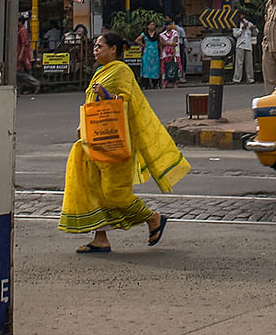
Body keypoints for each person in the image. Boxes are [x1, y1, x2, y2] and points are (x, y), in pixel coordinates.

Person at [58, 31, 190, 252]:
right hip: (93, 139)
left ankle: (153, 218)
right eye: (95, 46)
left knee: (114, 193)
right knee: (94, 189)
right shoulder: (100, 71)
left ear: (114, 50)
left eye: (100, 46)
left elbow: (124, 103)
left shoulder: (121, 71)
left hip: (114, 142)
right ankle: (100, 238)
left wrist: (106, 95)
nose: (95, 50)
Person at [17, 15, 40, 94]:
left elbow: (24, 43)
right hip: (20, 53)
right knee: (21, 72)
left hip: (22, 54)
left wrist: (21, 54)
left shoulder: (23, 30)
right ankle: (22, 88)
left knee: (20, 73)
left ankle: (35, 83)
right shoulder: (20, 30)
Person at [135, 20, 161, 89]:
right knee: (146, 68)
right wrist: (143, 45)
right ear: (148, 26)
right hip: (147, 53)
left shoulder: (157, 34)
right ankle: (145, 84)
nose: (153, 26)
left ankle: (155, 84)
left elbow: (159, 44)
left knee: (155, 68)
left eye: (153, 25)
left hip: (155, 53)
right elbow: (137, 40)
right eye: (151, 25)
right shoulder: (144, 34)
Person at [232, 14, 257, 84]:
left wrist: (253, 29)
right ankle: (237, 79)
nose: (242, 16)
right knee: (239, 63)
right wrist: (241, 29)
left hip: (248, 45)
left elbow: (255, 33)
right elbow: (235, 34)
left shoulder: (248, 23)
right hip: (240, 45)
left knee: (249, 63)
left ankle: (250, 79)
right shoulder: (236, 23)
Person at [159, 18, 180, 87]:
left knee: (176, 66)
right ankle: (164, 82)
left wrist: (168, 44)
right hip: (165, 53)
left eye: (171, 25)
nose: (169, 26)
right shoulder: (162, 34)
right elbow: (162, 43)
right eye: (168, 25)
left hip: (175, 52)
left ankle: (175, 82)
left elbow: (175, 42)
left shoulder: (175, 33)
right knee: (165, 67)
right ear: (166, 26)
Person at [174, 14, 189, 84]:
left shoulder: (173, 28)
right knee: (182, 60)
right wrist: (187, 47)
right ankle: (182, 76)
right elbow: (184, 39)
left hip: (174, 46)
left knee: (176, 59)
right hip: (180, 45)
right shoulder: (180, 29)